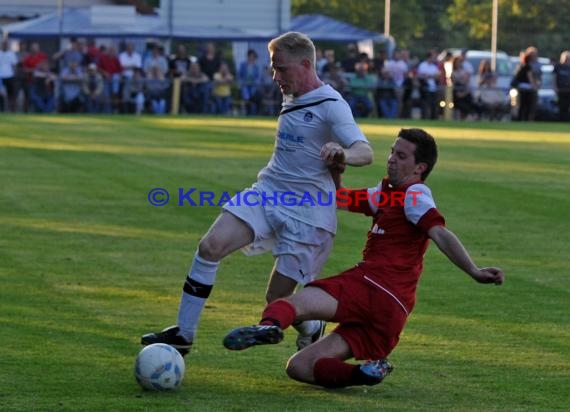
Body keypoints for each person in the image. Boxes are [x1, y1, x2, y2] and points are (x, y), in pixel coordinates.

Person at [141, 31, 373, 357]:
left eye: (282, 69)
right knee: (210, 246)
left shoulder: (332, 105)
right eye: (273, 69)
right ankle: (183, 334)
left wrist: (343, 154)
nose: (275, 76)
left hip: (308, 213)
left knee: (276, 301)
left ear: (306, 65)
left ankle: (311, 325)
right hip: (267, 193)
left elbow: (365, 151)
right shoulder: (293, 93)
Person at [222, 128, 505, 389]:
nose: (392, 159)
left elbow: (439, 232)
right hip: (391, 313)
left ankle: (269, 327)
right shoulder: (387, 194)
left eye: (401, 156)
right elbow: (342, 199)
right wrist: (336, 170)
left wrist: (474, 270)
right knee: (299, 367)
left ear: (420, 168)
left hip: (374, 286)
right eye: (393, 151)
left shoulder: (415, 193)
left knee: (291, 303)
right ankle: (366, 373)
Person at [553, 50, 570, 121]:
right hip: (561, 90)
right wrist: (555, 87)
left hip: (568, 90)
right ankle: (562, 120)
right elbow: (554, 77)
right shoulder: (558, 66)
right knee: (562, 106)